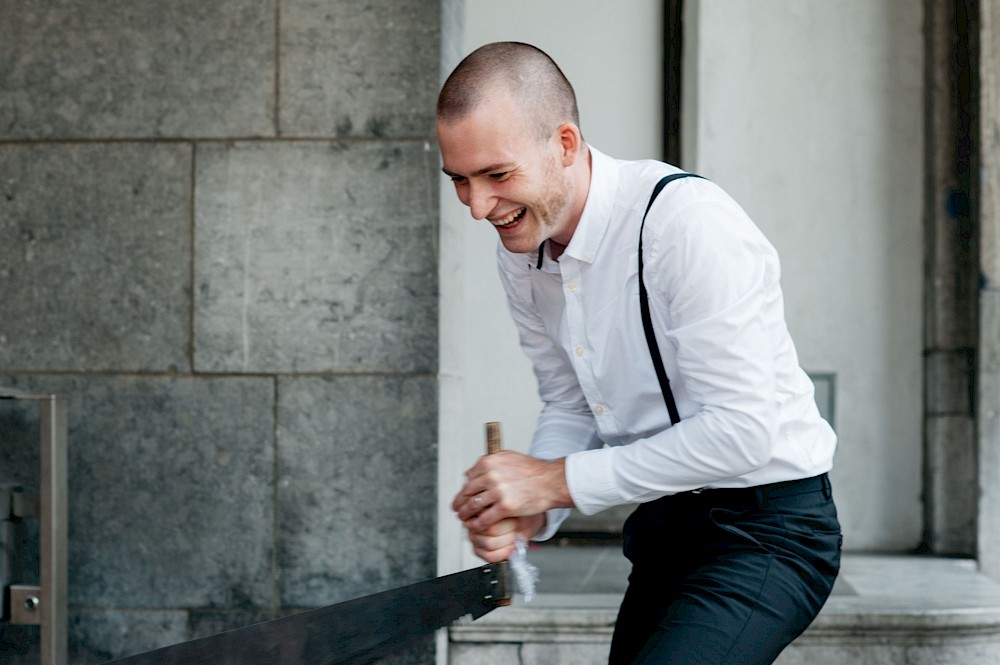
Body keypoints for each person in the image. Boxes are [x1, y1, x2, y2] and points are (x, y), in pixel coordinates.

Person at [438, 41, 841, 665]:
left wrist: (551, 481)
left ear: (565, 145)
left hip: (769, 529)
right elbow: (571, 403)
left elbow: (743, 432)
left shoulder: (684, 224)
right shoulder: (520, 252)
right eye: (460, 180)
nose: (478, 207)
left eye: (497, 175)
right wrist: (529, 512)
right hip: (662, 530)